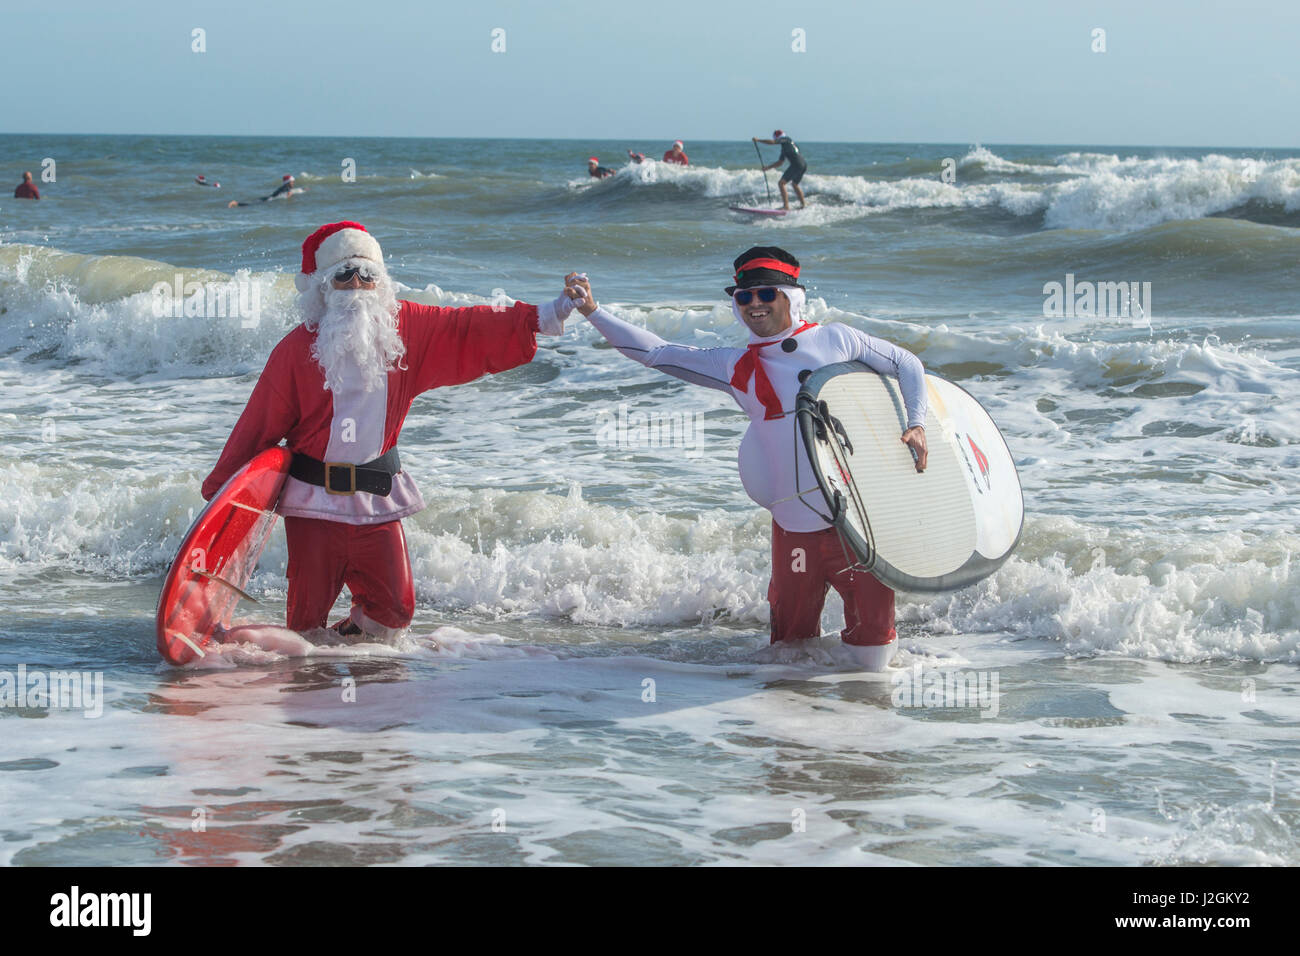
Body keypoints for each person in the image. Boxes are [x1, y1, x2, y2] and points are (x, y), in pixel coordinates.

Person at [201, 221, 584, 641]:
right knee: (306, 625)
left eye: (368, 275)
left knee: (394, 612)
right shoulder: (295, 350)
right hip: (313, 508)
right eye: (344, 275)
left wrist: (551, 311)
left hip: (377, 502)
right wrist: (219, 505)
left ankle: (352, 663)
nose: (357, 285)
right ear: (322, 288)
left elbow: (468, 329)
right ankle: (308, 686)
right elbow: (258, 424)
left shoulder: (407, 332)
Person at [573, 247, 928, 671]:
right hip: (793, 526)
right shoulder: (735, 365)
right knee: (788, 656)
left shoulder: (835, 339)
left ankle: (869, 728)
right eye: (743, 297)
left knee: (873, 658)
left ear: (790, 298)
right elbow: (657, 352)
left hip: (855, 521)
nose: (754, 305)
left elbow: (906, 363)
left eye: (765, 294)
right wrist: (593, 311)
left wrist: (917, 422)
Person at [752, 130, 807, 210]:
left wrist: (758, 140)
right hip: (803, 165)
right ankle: (803, 205)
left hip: (796, 164)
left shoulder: (785, 139)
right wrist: (768, 168)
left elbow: (773, 142)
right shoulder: (786, 146)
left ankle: (786, 206)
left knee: (781, 183)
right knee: (794, 184)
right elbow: (780, 163)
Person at [227, 174, 300, 207]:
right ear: (288, 182)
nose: (293, 183)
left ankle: (236, 203)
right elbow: (288, 195)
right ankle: (235, 203)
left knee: (253, 203)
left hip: (269, 197)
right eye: (292, 181)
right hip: (269, 199)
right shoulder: (287, 188)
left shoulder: (285, 187)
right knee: (251, 204)